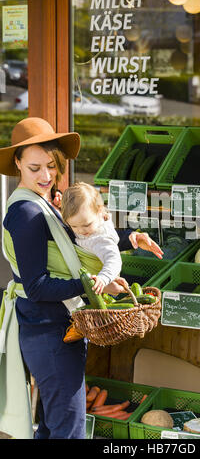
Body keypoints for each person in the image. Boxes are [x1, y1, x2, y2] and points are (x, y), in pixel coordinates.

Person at [0, 116, 163, 440]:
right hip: (49, 332)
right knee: (69, 429)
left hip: (54, 330)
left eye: (51, 165)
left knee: (51, 426)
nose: (46, 176)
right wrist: (92, 285)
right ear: (17, 162)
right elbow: (36, 287)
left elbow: (80, 240)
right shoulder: (27, 213)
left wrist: (129, 237)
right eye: (35, 168)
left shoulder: (43, 200)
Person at [61, 182, 122, 297]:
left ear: (99, 211)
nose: (80, 231)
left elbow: (114, 260)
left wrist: (103, 278)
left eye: (86, 225)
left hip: (103, 290)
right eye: (73, 226)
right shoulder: (92, 218)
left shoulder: (101, 238)